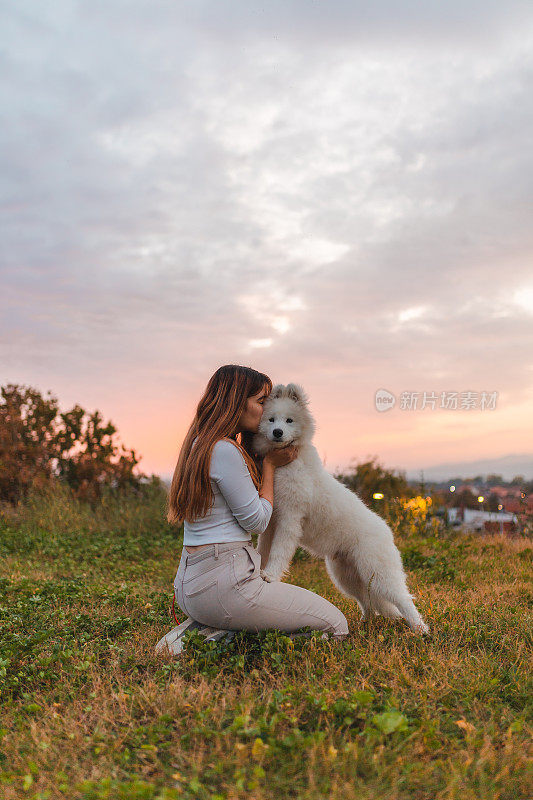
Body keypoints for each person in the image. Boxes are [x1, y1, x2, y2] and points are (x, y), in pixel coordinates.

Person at [158, 364, 348, 653]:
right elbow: (258, 521)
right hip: (226, 585)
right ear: (236, 402)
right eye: (260, 401)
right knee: (336, 626)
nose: (265, 409)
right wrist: (270, 466)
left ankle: (203, 628)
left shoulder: (199, 444)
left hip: (191, 584)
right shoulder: (224, 450)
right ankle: (221, 641)